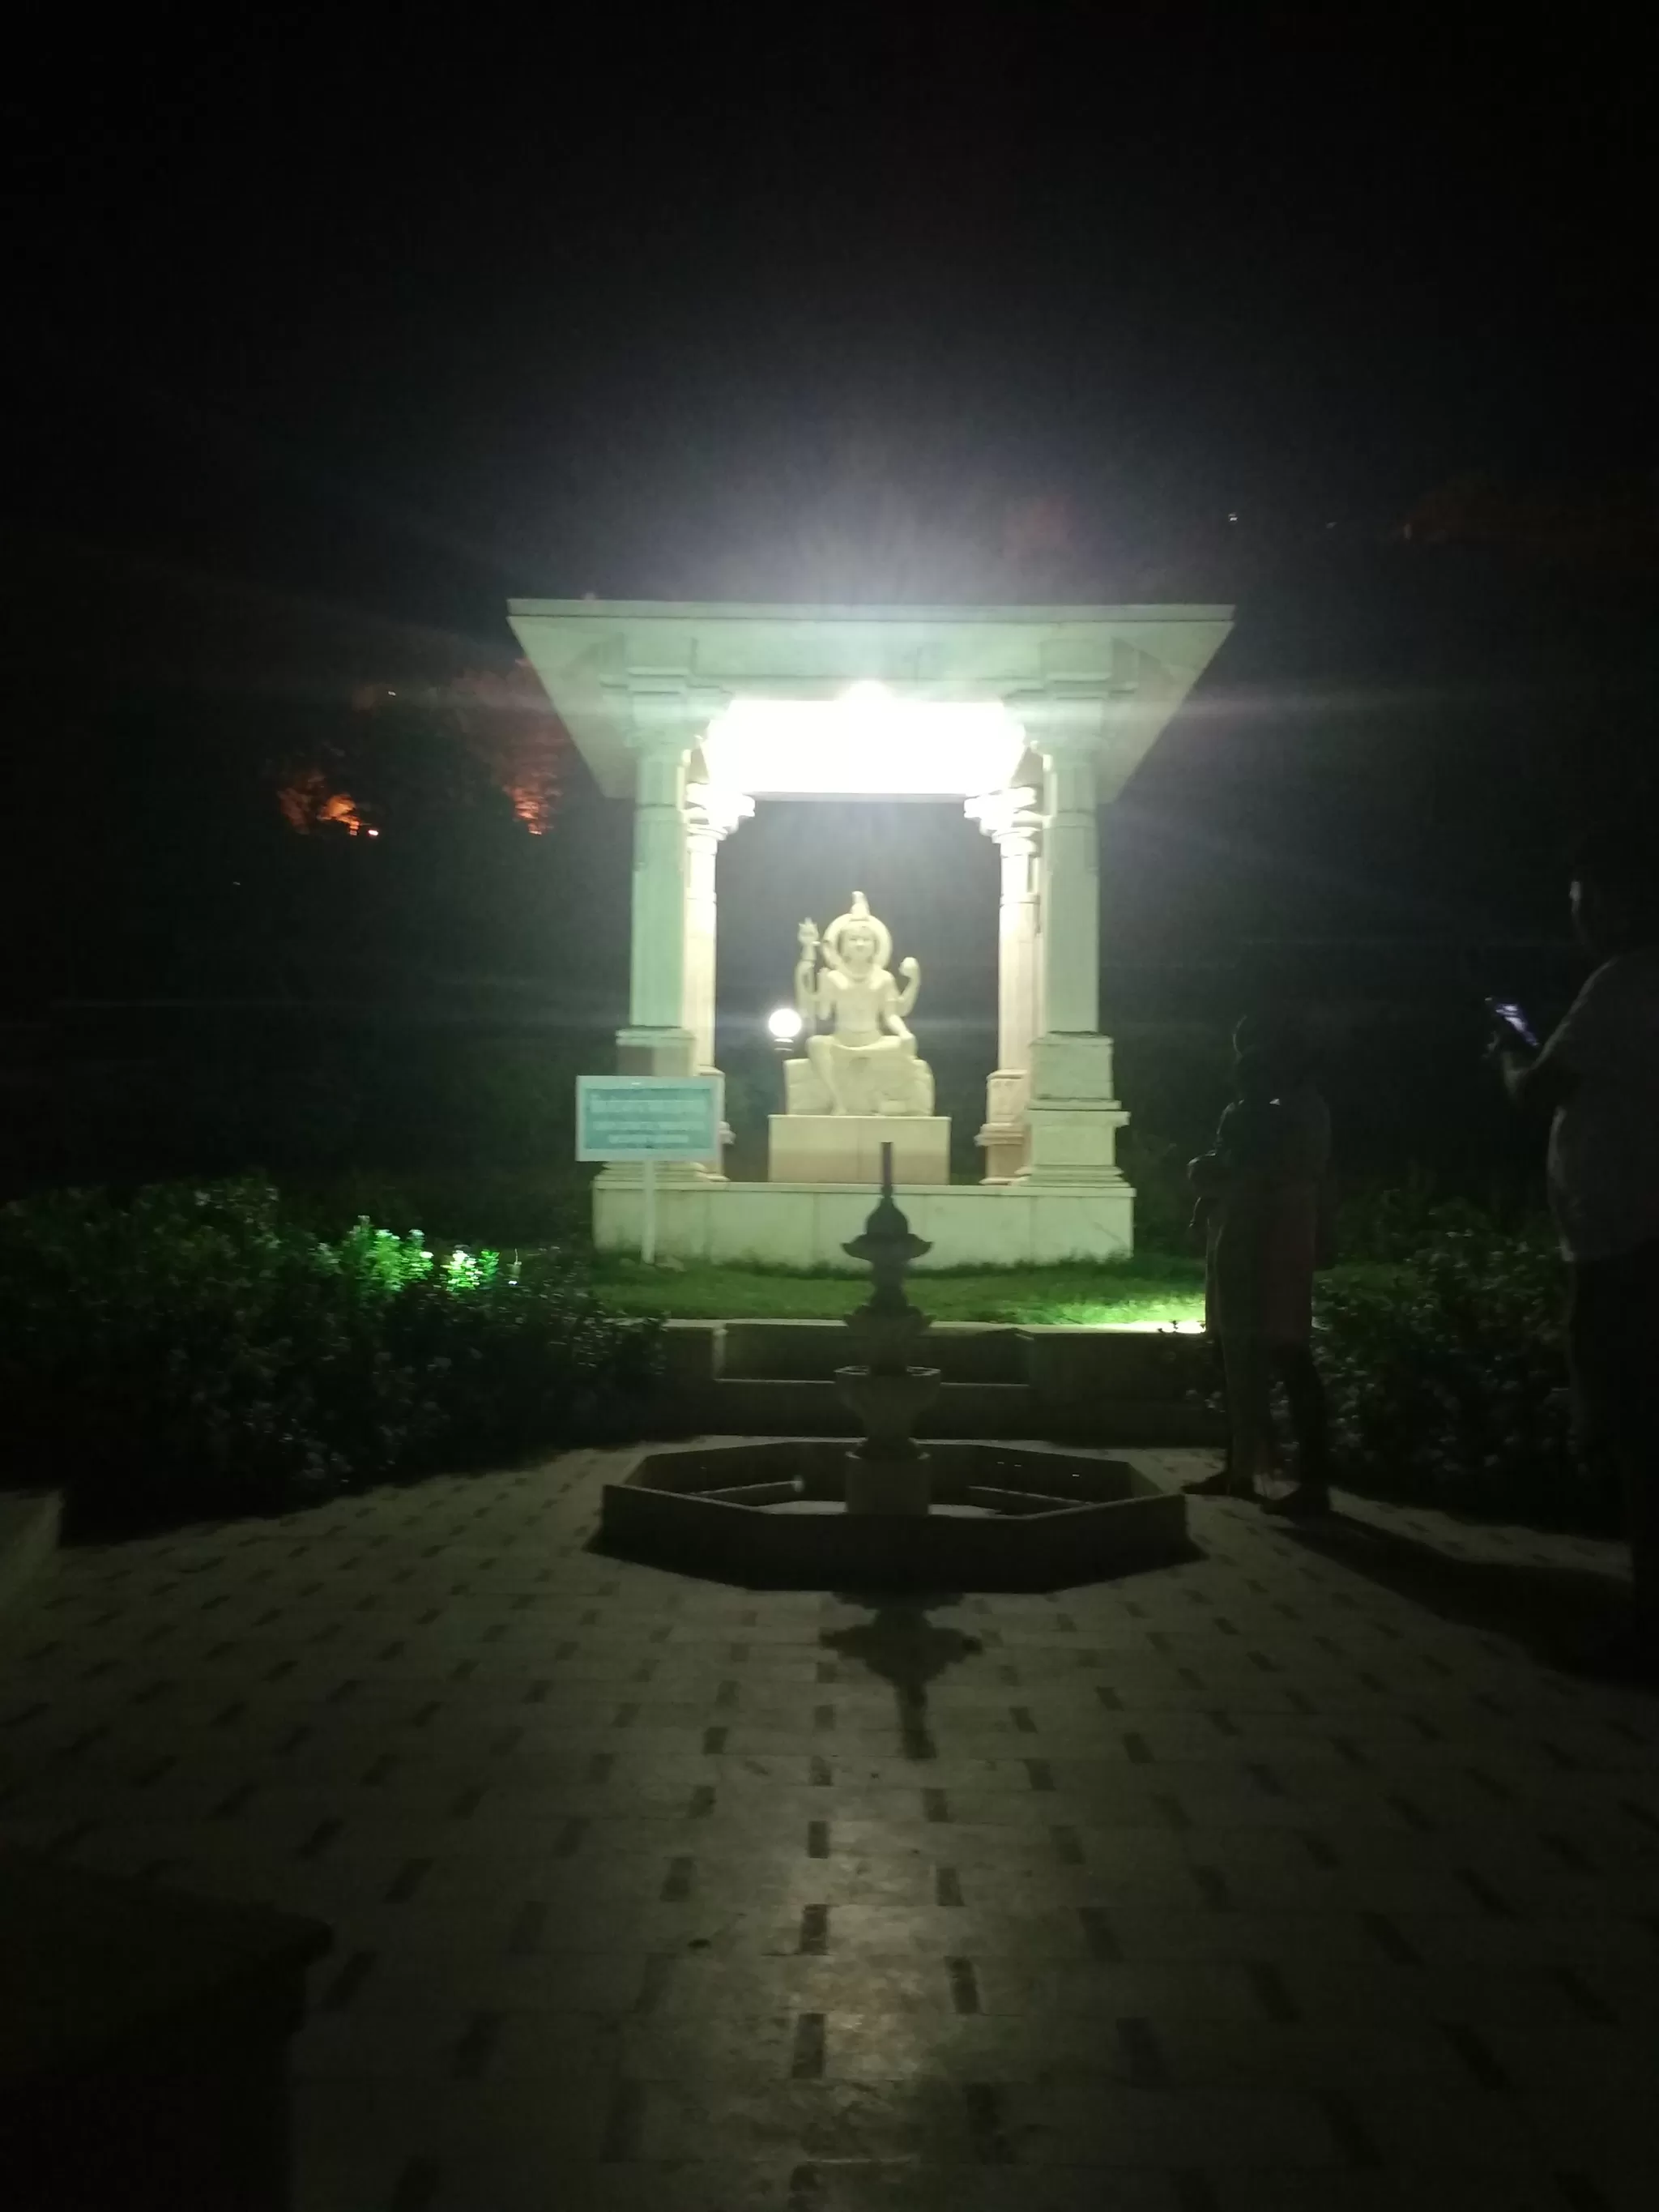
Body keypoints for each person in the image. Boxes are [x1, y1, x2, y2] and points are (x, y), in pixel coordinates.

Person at [1495, 825, 1659, 1669]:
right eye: (1575, 903)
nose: (1583, 918)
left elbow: (1537, 1093)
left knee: (1634, 1433)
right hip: (1619, 1242)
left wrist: (1509, 1056)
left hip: (1627, 1250)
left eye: (1596, 899)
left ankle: (1643, 1621)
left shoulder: (1624, 985)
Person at [1188, 1018, 1334, 1513]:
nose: (1244, 1064)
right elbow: (1230, 1157)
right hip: (1236, 1233)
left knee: (1287, 1350)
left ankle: (1312, 1483)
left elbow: (1285, 1166)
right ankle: (1241, 1466)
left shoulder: (1298, 1107)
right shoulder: (1249, 1106)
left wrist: (1231, 1167)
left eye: (1252, 1052)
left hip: (1279, 1234)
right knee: (1232, 1348)